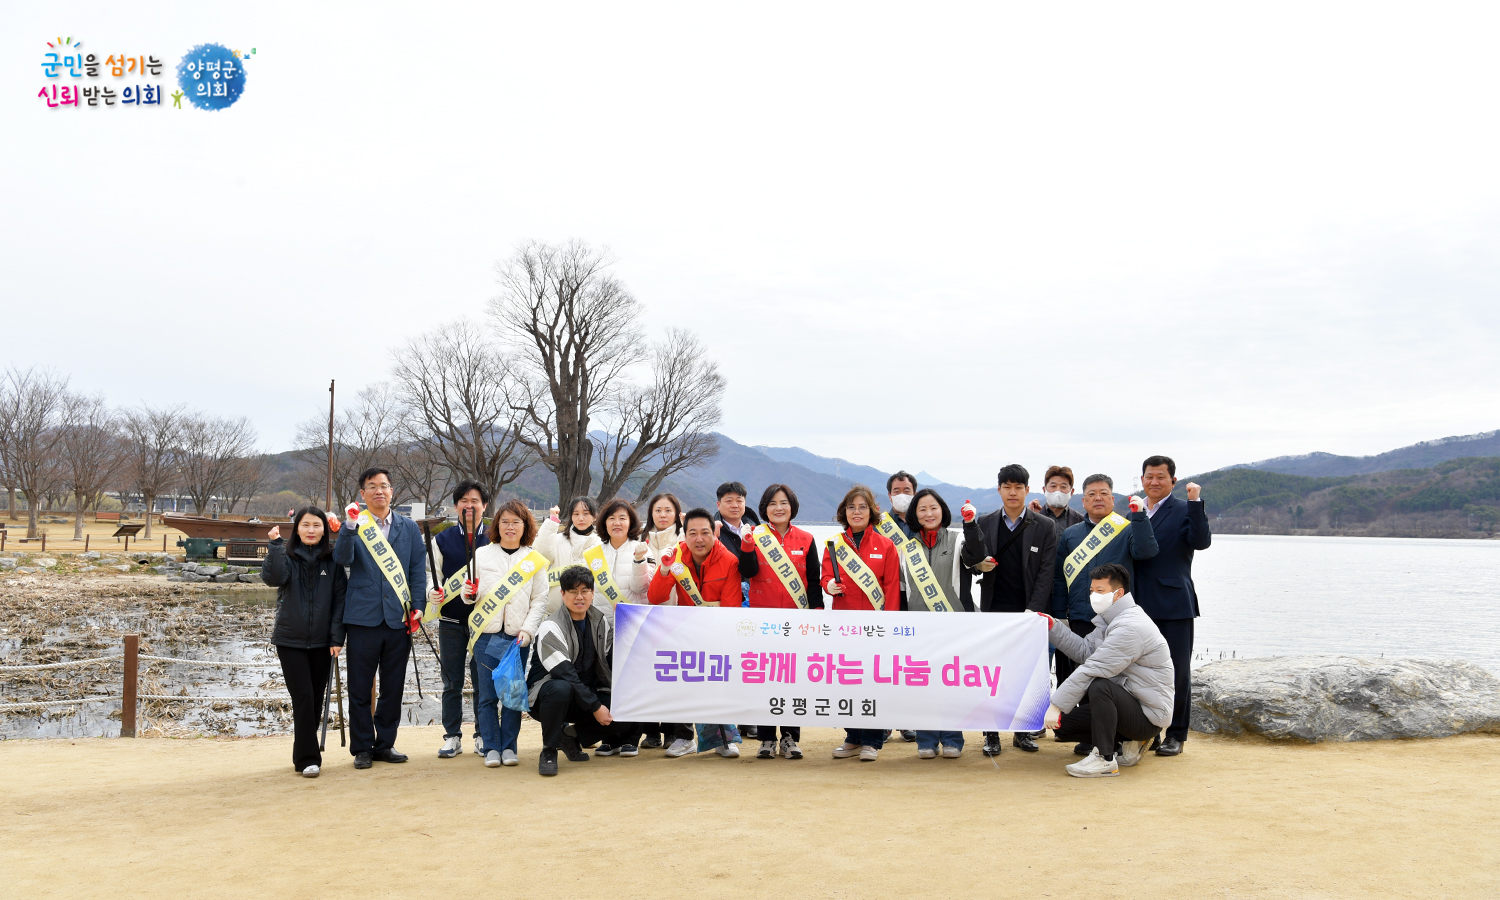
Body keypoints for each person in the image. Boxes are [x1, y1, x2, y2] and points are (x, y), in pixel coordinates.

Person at [1050, 474, 1158, 756]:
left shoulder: (1126, 528)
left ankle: (1126, 736)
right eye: (1092, 494)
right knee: (1082, 677)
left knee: (1111, 678)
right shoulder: (1071, 534)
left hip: (1116, 621)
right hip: (1081, 617)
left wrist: (1140, 518)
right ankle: (1093, 737)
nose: (1098, 498)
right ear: (1083, 500)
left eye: (1104, 493)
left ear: (1112, 499)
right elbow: (1060, 580)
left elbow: (1147, 551)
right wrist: (1060, 614)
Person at [332, 467, 427, 770]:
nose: (379, 491)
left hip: (399, 618)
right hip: (362, 618)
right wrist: (347, 527)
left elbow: (416, 571)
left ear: (392, 491)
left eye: (384, 486)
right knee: (360, 687)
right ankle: (362, 747)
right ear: (362, 494)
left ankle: (385, 743)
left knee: (393, 686)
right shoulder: (355, 524)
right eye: (372, 486)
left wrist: (418, 606)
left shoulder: (409, 528)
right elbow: (342, 559)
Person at [960, 464, 1059, 755]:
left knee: (1030, 674)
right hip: (994, 610)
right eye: (1007, 487)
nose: (1013, 492)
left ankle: (1024, 732)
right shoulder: (987, 523)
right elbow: (969, 560)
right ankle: (991, 735)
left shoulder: (1044, 526)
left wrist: (1034, 612)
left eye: (1018, 487)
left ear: (1028, 490)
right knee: (993, 674)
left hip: (1030, 613)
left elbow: (1046, 573)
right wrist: (978, 564)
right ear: (999, 489)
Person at [1041, 563, 1174, 778]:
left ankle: (1105, 759)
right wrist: (1053, 627)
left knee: (1100, 685)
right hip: (1130, 703)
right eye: (1092, 591)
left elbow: (1094, 667)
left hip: (1149, 714)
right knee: (1063, 727)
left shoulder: (1129, 627)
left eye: (1100, 591)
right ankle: (1128, 743)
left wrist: (1056, 704)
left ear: (1118, 593)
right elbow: (1085, 651)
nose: (1094, 596)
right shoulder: (1110, 620)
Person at [647, 507, 744, 758]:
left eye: (704, 532)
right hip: (685, 631)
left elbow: (732, 605)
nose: (699, 539)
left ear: (715, 533)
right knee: (682, 682)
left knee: (719, 682)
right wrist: (665, 569)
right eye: (692, 533)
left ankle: (724, 739)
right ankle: (684, 737)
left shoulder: (729, 561)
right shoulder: (676, 556)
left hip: (718, 630)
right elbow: (655, 597)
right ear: (685, 535)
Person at [1130, 455, 1210, 758]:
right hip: (1138, 604)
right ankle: (1146, 730)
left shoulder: (1182, 509)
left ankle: (1176, 734)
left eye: (1161, 477)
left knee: (1178, 672)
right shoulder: (1134, 512)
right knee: (1138, 671)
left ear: (1172, 481)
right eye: (1149, 476)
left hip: (1174, 602)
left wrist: (1195, 502)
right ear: (1142, 480)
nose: (1154, 482)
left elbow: (1200, 541)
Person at [739, 483, 823, 760]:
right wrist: (747, 546)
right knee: (765, 678)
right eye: (773, 503)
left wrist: (818, 613)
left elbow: (813, 582)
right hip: (763, 621)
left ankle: (790, 738)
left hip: (797, 622)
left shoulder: (807, 539)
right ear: (765, 508)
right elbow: (747, 572)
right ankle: (766, 739)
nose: (778, 507)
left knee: (792, 679)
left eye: (784, 502)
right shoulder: (755, 535)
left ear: (792, 506)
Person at [527, 566, 636, 776]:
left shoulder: (600, 621)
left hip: (583, 694)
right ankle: (549, 750)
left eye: (585, 591)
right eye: (573, 592)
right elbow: (565, 673)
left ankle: (571, 737)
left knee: (626, 708)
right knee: (560, 687)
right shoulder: (551, 626)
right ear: (562, 594)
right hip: (547, 698)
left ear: (593, 594)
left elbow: (612, 659)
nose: (580, 597)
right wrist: (596, 706)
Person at [263, 507, 346, 777]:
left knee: (315, 700)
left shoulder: (333, 561)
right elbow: (273, 578)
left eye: (317, 525)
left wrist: (337, 637)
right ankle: (310, 758)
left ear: (325, 529)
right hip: (290, 640)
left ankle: (301, 752)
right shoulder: (286, 556)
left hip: (323, 643)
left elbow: (339, 602)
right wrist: (275, 545)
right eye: (305, 525)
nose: (311, 530)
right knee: (303, 697)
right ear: (296, 528)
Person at [468, 498, 551, 767]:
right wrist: (468, 595)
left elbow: (540, 600)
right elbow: (471, 594)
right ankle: (491, 747)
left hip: (518, 638)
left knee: (514, 693)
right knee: (487, 695)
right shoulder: (481, 554)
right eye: (505, 521)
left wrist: (528, 630)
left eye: (516, 521)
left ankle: (509, 746)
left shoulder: (534, 560)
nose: (510, 527)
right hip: (487, 634)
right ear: (497, 525)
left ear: (525, 525)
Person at [819, 485, 900, 761]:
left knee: (875, 681)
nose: (856, 512)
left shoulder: (886, 545)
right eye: (851, 507)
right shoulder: (834, 544)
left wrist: (888, 625)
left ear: (872, 512)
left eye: (862, 507)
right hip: (844, 624)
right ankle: (853, 736)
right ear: (844, 512)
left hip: (876, 626)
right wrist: (829, 585)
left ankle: (873, 740)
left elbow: (890, 587)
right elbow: (825, 577)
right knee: (847, 679)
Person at [901, 488, 971, 758]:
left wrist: (971, 523)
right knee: (923, 684)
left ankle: (953, 739)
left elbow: (977, 556)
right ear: (914, 515)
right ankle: (926, 740)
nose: (928, 513)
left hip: (954, 624)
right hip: (919, 628)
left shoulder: (958, 539)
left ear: (943, 511)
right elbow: (902, 590)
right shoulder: (906, 549)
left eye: (933, 508)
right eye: (922, 509)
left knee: (953, 683)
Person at [424, 480, 489, 760]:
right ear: (455, 506)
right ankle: (452, 736)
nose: (469, 505)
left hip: (485, 623)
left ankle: (482, 734)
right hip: (450, 621)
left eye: (475, 501)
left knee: (482, 681)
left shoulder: (496, 539)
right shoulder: (442, 539)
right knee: (451, 681)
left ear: (484, 506)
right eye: (464, 501)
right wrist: (431, 591)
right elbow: (431, 572)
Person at [641, 491, 687, 751]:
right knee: (648, 673)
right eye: (658, 510)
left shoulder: (684, 539)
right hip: (646, 614)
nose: (662, 515)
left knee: (673, 674)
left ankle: (671, 730)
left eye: (668, 510)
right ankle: (650, 731)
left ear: (676, 513)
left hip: (678, 614)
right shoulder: (641, 540)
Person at [535, 496, 603, 614]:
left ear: (594, 517)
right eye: (576, 514)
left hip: (588, 614)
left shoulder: (601, 545)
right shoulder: (557, 540)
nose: (580, 518)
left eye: (586, 514)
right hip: (555, 612)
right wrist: (552, 523)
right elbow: (540, 554)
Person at [1029, 465, 1087, 536]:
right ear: (1044, 490)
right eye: (1053, 486)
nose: (1058, 491)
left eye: (1063, 487)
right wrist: (1029, 518)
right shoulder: (1033, 517)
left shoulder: (1081, 521)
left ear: (1071, 492)